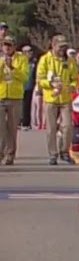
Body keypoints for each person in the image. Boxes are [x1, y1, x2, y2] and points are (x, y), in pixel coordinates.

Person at [36, 35, 79, 165]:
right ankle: (52, 154)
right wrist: (51, 85)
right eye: (60, 46)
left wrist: (71, 87)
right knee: (51, 128)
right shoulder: (45, 60)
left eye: (65, 46)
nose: (63, 49)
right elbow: (39, 80)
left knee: (68, 126)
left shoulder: (70, 61)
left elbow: (75, 79)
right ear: (53, 46)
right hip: (51, 98)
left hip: (65, 98)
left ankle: (64, 152)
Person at [0, 35, 29, 166]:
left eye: (9, 45)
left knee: (12, 128)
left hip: (15, 97)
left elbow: (25, 77)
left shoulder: (21, 59)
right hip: (1, 96)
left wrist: (13, 68)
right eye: (5, 45)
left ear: (14, 47)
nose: (7, 48)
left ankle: (10, 155)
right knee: (1, 128)